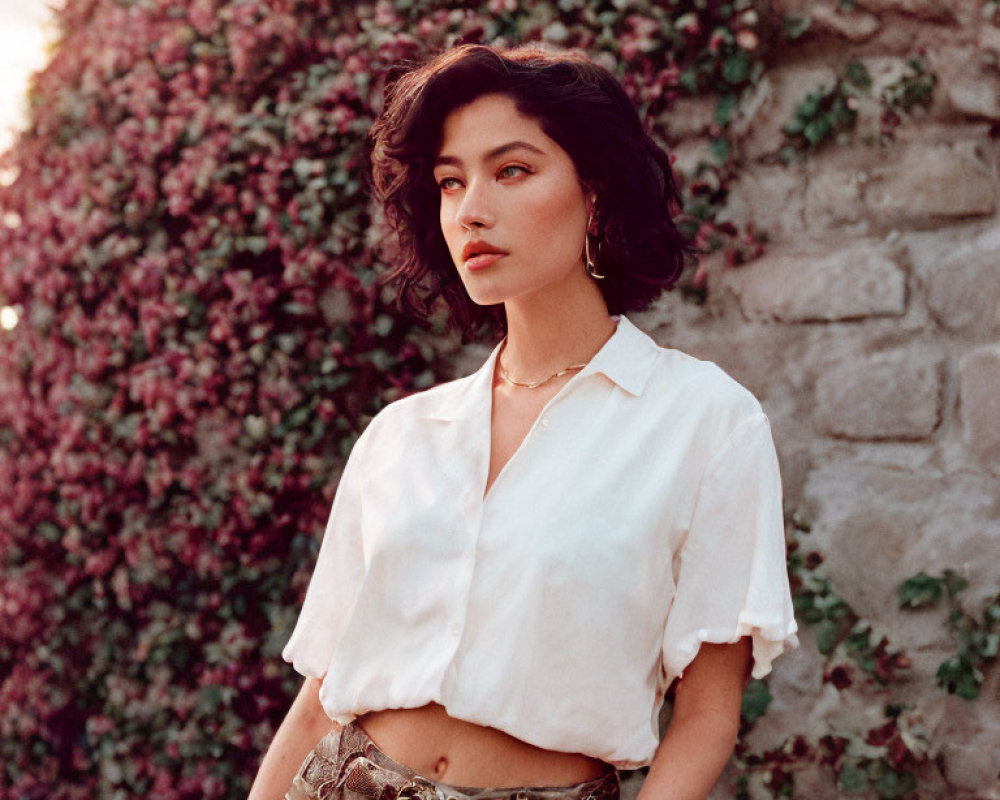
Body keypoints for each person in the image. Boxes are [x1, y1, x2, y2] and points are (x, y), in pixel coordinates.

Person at [248, 42, 798, 800]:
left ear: (596, 190)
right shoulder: (402, 436)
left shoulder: (706, 422)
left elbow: (705, 719)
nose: (471, 208)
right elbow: (318, 700)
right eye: (450, 181)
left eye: (512, 171)